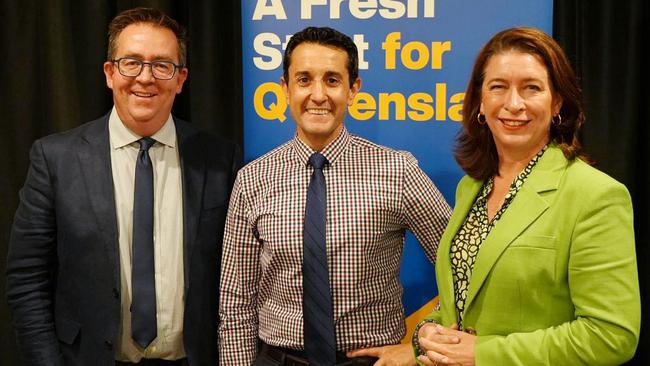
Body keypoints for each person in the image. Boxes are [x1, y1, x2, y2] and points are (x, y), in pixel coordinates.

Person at [6, 7, 241, 366]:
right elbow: (27, 279)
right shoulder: (56, 158)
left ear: (180, 79)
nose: (145, 78)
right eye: (132, 62)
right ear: (110, 73)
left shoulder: (219, 160)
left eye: (162, 65)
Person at [219, 26, 451, 366]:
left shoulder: (397, 170)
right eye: (303, 79)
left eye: (331, 80)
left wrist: (420, 346)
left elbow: (462, 268)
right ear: (285, 88)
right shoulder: (253, 179)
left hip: (370, 360)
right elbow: (236, 300)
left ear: (353, 89)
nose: (317, 94)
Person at [413, 27, 640, 366]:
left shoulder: (596, 195)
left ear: (557, 102)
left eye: (531, 88)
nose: (513, 103)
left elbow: (611, 335)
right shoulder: (472, 187)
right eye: (498, 87)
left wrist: (484, 354)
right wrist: (428, 332)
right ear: (481, 101)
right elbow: (464, 298)